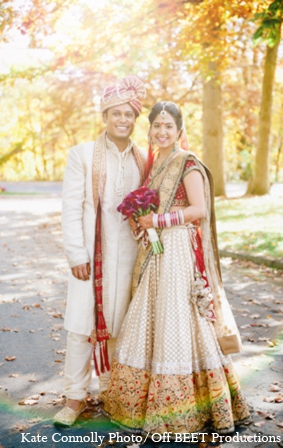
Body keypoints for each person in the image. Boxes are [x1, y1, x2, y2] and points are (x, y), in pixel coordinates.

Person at [104, 101, 250, 436]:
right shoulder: (155, 167)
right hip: (157, 251)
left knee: (178, 320)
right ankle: (143, 403)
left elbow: (197, 209)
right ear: (151, 130)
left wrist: (157, 219)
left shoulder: (188, 163)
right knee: (151, 316)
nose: (162, 131)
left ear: (179, 130)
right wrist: (143, 224)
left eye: (169, 126)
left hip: (179, 251)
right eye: (157, 125)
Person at [53, 75, 146, 426]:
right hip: (91, 257)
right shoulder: (82, 154)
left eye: (128, 115)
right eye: (116, 114)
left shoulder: (143, 158)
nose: (123, 120)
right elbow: (70, 207)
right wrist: (75, 253)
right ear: (104, 116)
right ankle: (74, 398)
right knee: (81, 326)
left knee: (122, 325)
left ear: (135, 119)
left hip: (131, 258)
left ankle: (111, 392)